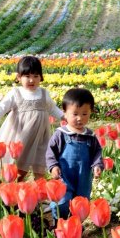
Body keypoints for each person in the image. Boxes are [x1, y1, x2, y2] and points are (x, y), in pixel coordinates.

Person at [0, 56, 64, 180]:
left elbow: (52, 108)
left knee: (40, 161)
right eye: (27, 76)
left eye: (35, 76)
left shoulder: (44, 93)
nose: (31, 80)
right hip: (21, 136)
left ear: (41, 77)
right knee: (20, 166)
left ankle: (40, 191)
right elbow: (2, 106)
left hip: (40, 136)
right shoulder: (16, 93)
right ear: (19, 77)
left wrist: (63, 117)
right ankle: (16, 188)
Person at [46, 88, 104, 219]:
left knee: (81, 202)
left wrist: (97, 166)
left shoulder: (90, 136)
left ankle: (76, 225)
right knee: (62, 201)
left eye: (84, 114)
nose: (79, 118)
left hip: (83, 177)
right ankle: (59, 222)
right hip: (64, 176)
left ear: (91, 113)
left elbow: (96, 153)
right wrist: (53, 166)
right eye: (75, 114)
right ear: (65, 113)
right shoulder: (61, 134)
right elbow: (51, 152)